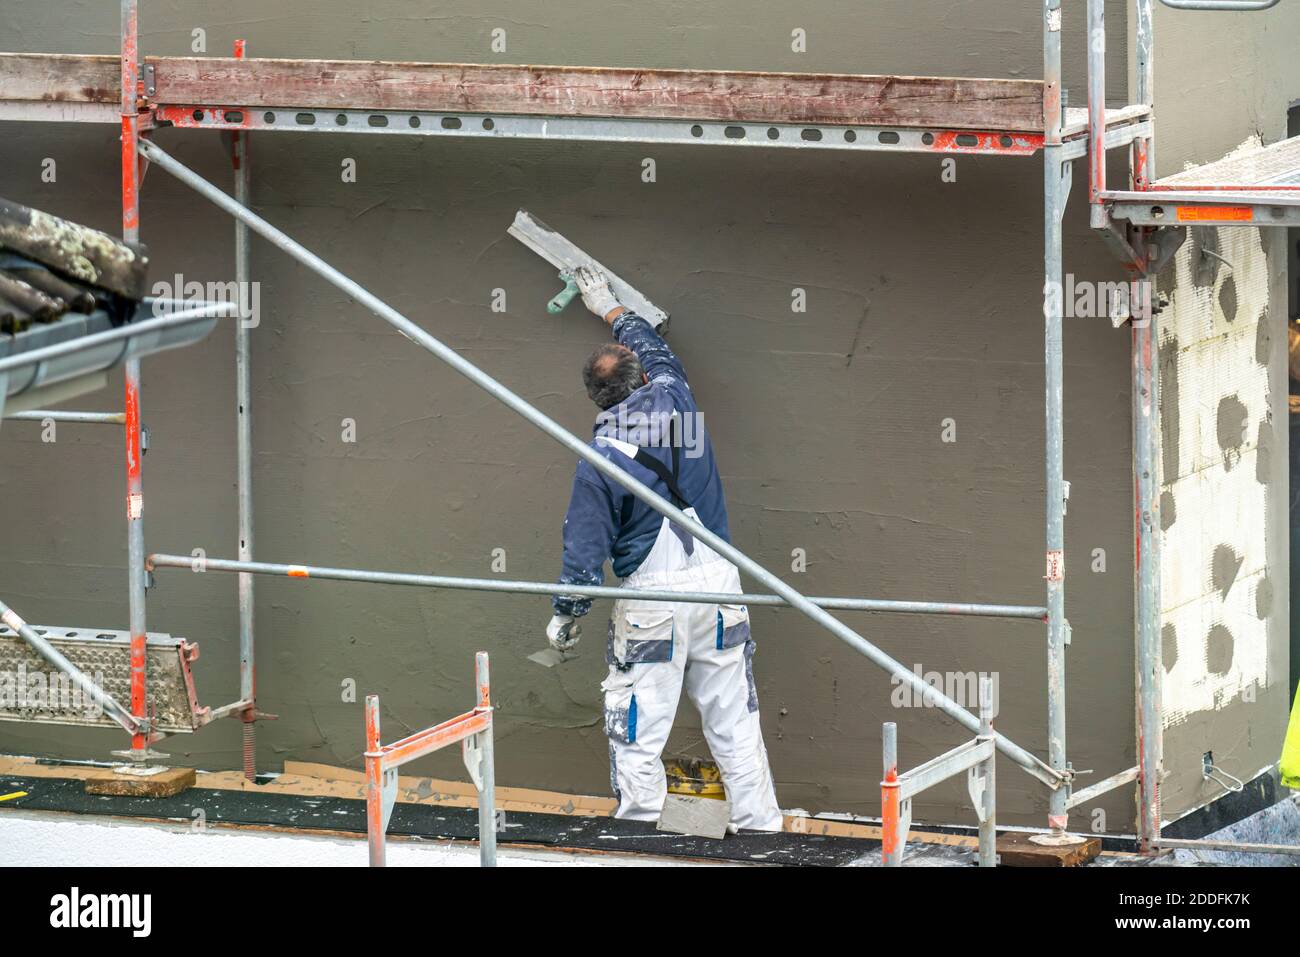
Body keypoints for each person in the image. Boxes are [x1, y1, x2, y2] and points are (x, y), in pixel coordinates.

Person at [545, 266, 782, 832]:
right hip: (721, 584)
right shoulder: (677, 399)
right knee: (733, 716)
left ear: (594, 397)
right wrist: (612, 309)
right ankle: (758, 826)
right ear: (640, 378)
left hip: (656, 604)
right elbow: (655, 350)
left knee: (638, 722)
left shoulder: (601, 458)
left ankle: (642, 825)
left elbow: (584, 551)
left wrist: (567, 616)